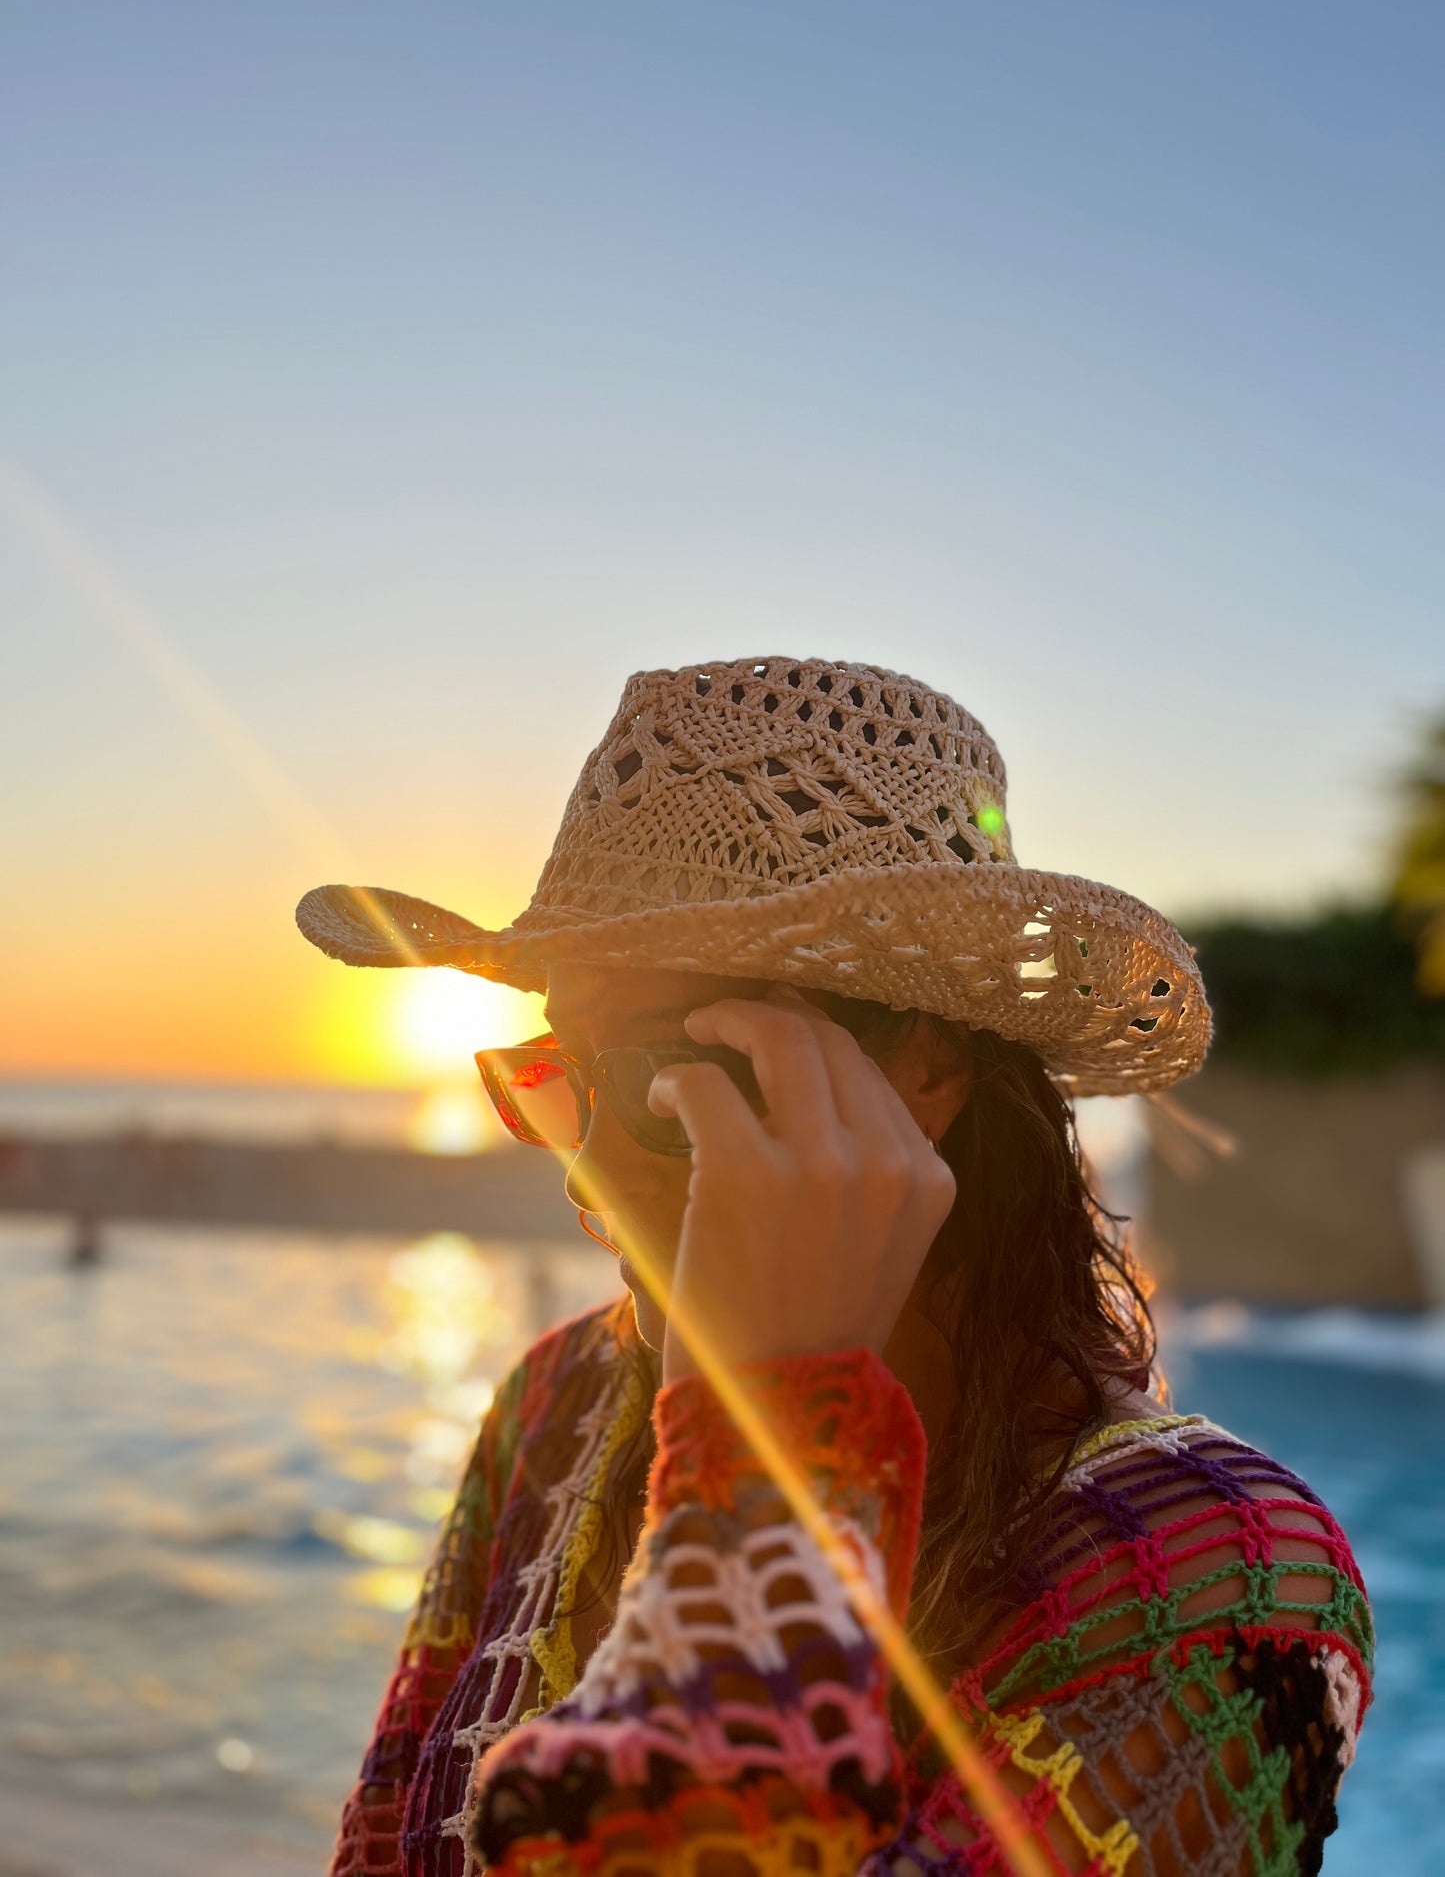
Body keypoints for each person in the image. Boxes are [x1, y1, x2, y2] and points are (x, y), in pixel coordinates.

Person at [298, 657, 1371, 1877]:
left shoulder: (1225, 1591)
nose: (585, 1174)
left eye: (659, 1076)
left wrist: (772, 1424)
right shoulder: (555, 1402)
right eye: (558, 1074)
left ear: (922, 1071)